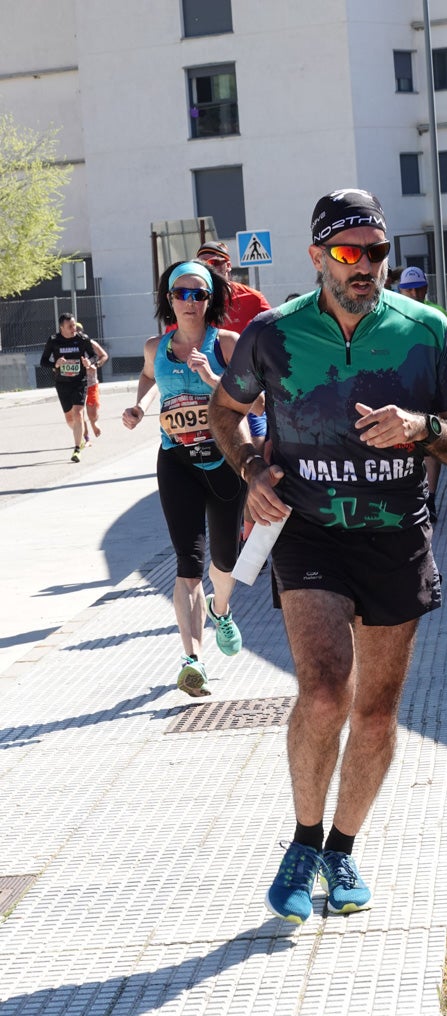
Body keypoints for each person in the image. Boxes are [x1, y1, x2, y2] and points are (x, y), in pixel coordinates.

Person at [209, 188, 447, 925]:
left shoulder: (425, 331)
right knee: (326, 691)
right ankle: (303, 843)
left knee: (374, 712)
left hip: (395, 536)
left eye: (376, 251)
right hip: (308, 534)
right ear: (317, 259)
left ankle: (342, 848)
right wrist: (249, 473)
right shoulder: (272, 334)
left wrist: (422, 426)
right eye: (347, 252)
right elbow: (224, 413)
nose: (365, 265)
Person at [121, 260, 246, 698]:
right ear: (169, 299)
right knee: (188, 565)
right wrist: (138, 406)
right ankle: (192, 660)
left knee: (225, 562)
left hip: (225, 464)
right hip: (177, 464)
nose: (190, 302)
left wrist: (213, 379)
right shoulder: (156, 347)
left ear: (210, 300)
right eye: (182, 294)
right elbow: (147, 375)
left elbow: (259, 404)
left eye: (199, 294)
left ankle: (222, 608)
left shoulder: (228, 344)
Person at [195, 239, 271, 540]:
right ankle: (233, 531)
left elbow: (275, 337)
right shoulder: (194, 300)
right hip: (207, 396)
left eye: (214, 264)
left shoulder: (252, 299)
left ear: (228, 266)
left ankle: (251, 535)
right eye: (203, 265)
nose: (209, 271)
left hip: (249, 393)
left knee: (256, 452)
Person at [398, 266, 447, 524]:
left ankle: (430, 499)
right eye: (408, 289)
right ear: (400, 290)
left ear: (425, 288)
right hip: (402, 391)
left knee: (431, 446)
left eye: (418, 287)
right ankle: (411, 495)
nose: (414, 292)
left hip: (431, 390)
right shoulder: (392, 314)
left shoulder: (437, 314)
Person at [40, 313, 95, 462]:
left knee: (78, 413)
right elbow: (43, 361)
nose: (74, 328)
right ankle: (80, 435)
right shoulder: (53, 341)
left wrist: (89, 363)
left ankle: (77, 449)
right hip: (62, 383)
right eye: (70, 326)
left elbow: (93, 355)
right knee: (70, 418)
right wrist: (55, 364)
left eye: (74, 325)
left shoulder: (82, 339)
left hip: (79, 381)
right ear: (62, 327)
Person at [75, 322, 108, 442]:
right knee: (79, 413)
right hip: (76, 383)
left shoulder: (91, 343)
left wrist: (96, 364)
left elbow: (104, 355)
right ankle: (86, 437)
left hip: (91, 382)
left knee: (92, 413)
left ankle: (94, 423)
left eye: (78, 331)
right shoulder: (68, 346)